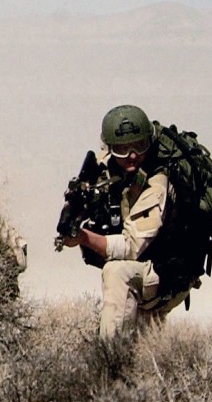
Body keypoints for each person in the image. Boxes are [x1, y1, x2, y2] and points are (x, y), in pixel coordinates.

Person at [58, 104, 187, 343]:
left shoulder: (157, 181)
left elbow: (130, 247)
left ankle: (109, 359)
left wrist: (84, 238)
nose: (132, 155)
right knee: (147, 350)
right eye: (122, 148)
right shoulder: (105, 170)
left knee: (116, 271)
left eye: (139, 146)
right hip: (148, 268)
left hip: (168, 274)